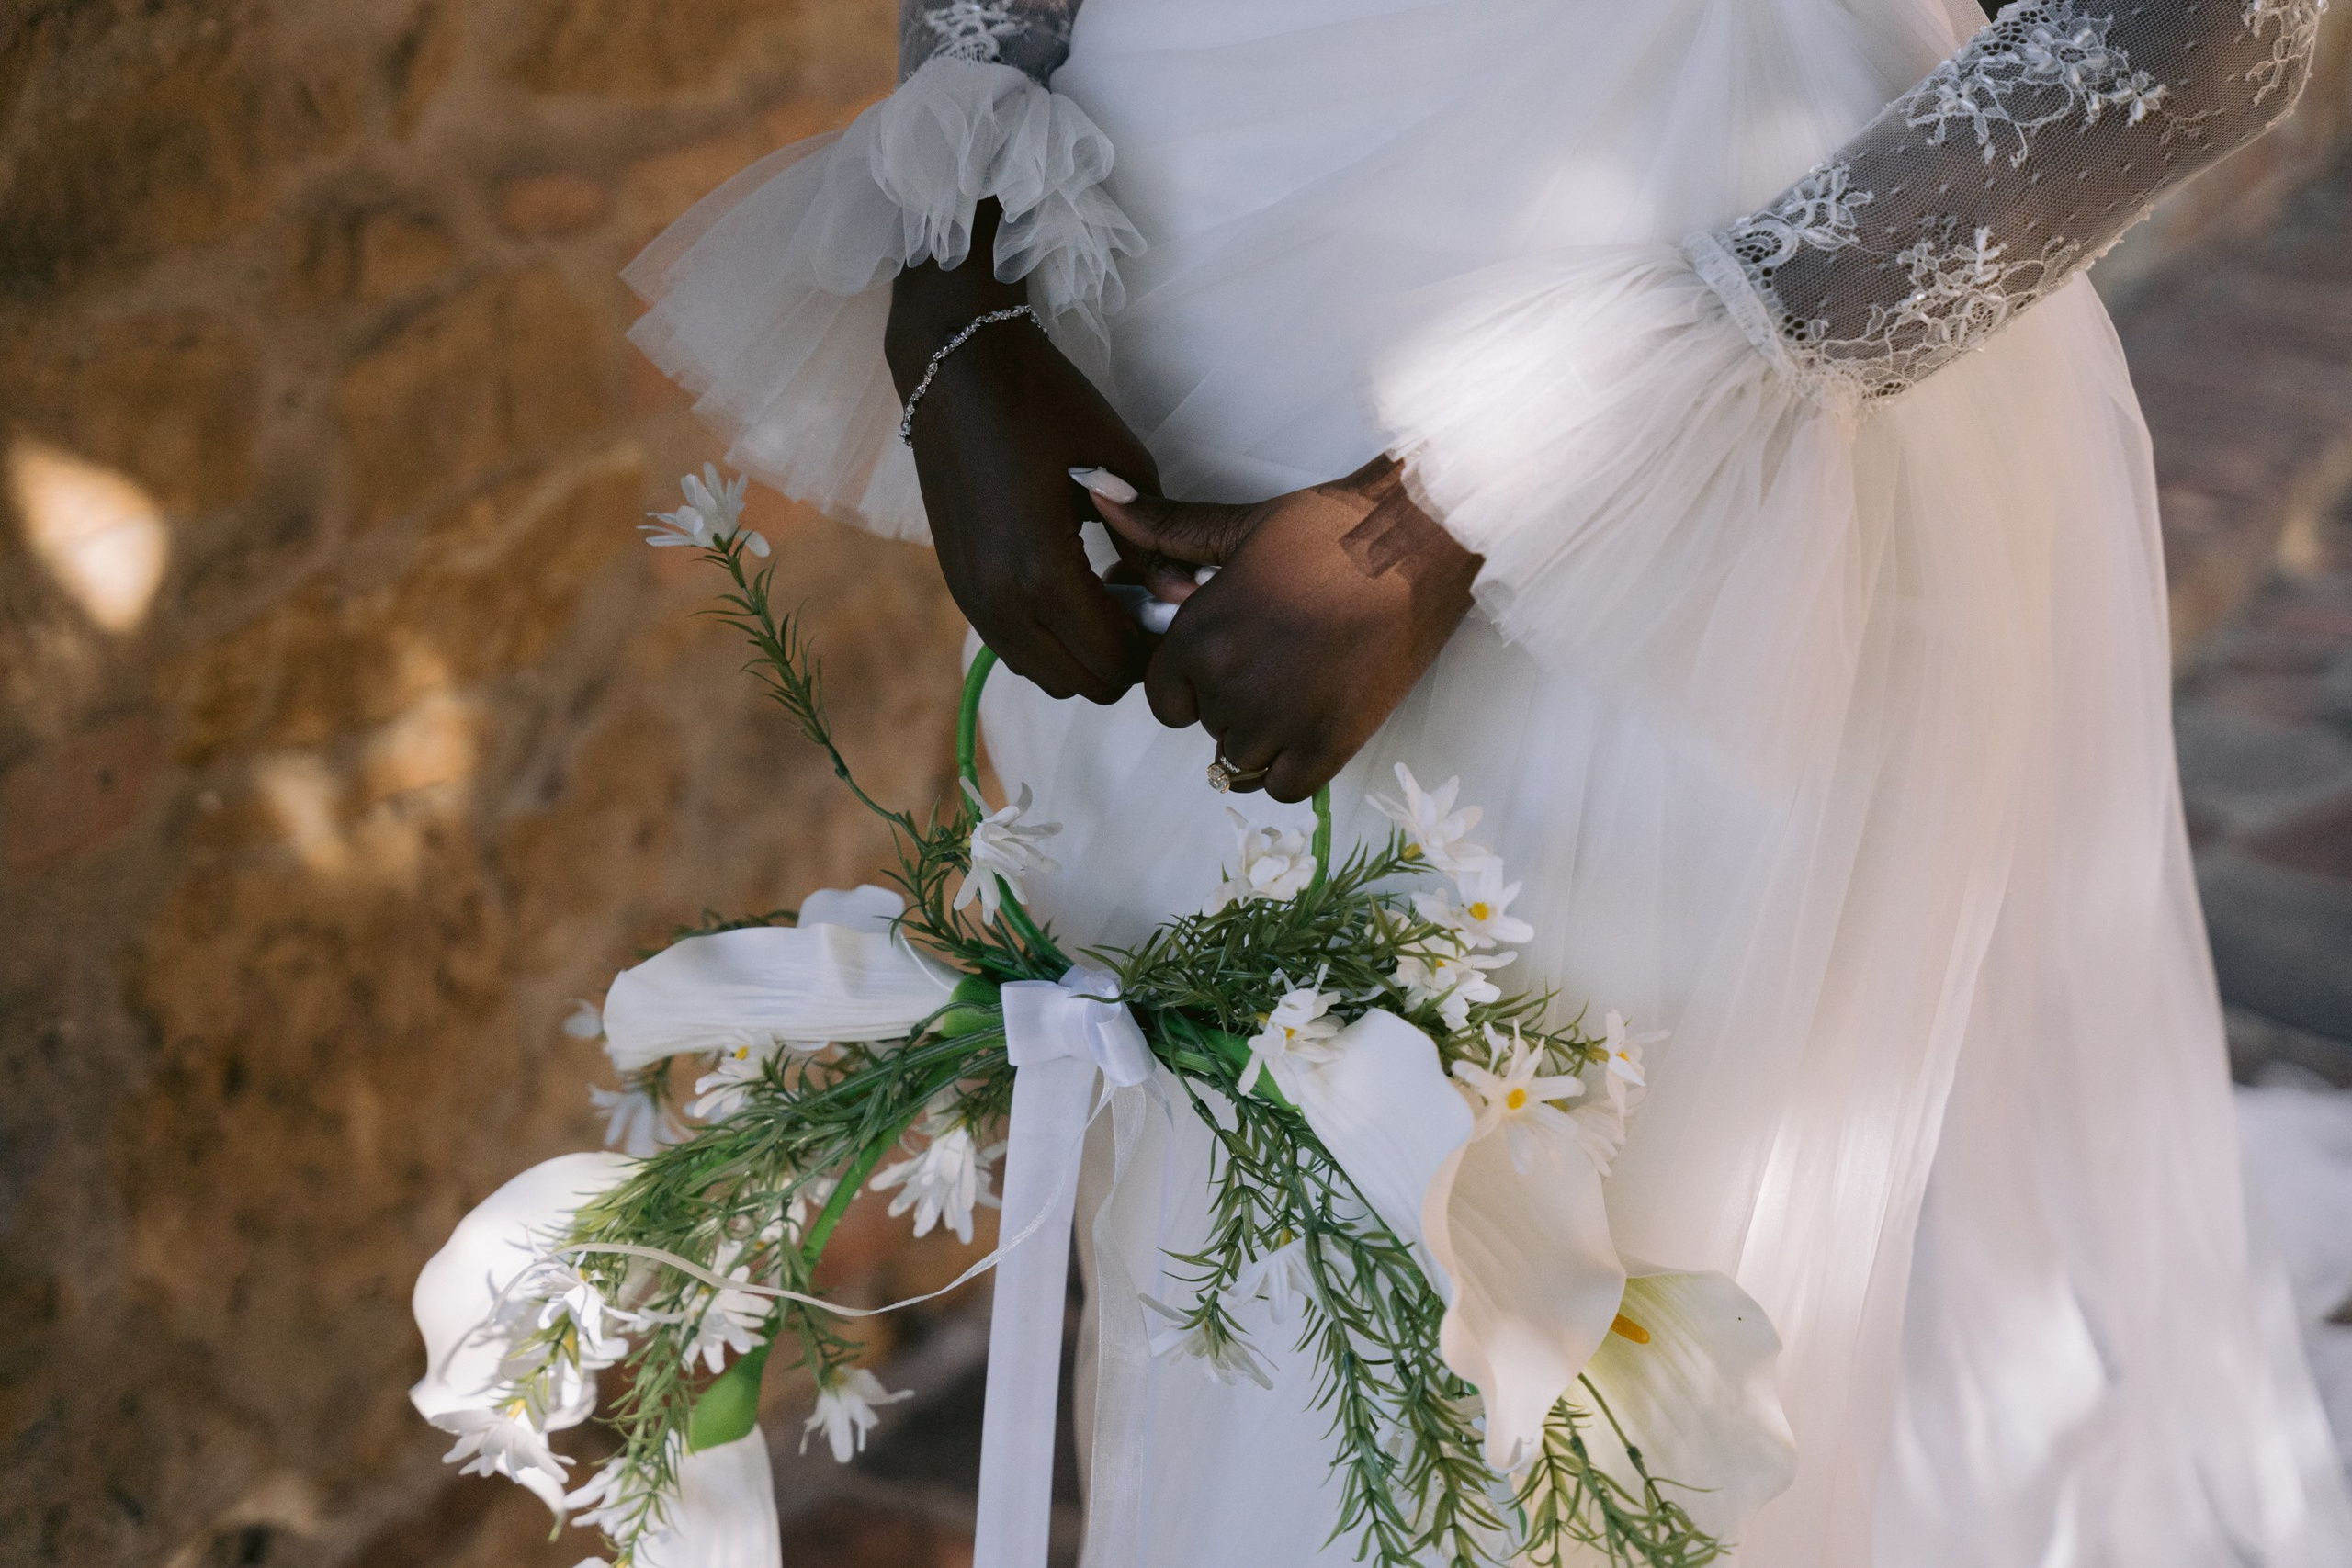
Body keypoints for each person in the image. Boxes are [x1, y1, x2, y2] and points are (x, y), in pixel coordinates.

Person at [625, 0, 2352, 1562]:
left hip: (1677, 398)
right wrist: (957, 269)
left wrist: (1493, 483)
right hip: (1148, 300)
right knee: (1227, 1300)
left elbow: (2214, 22)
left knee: (1558, 1364)